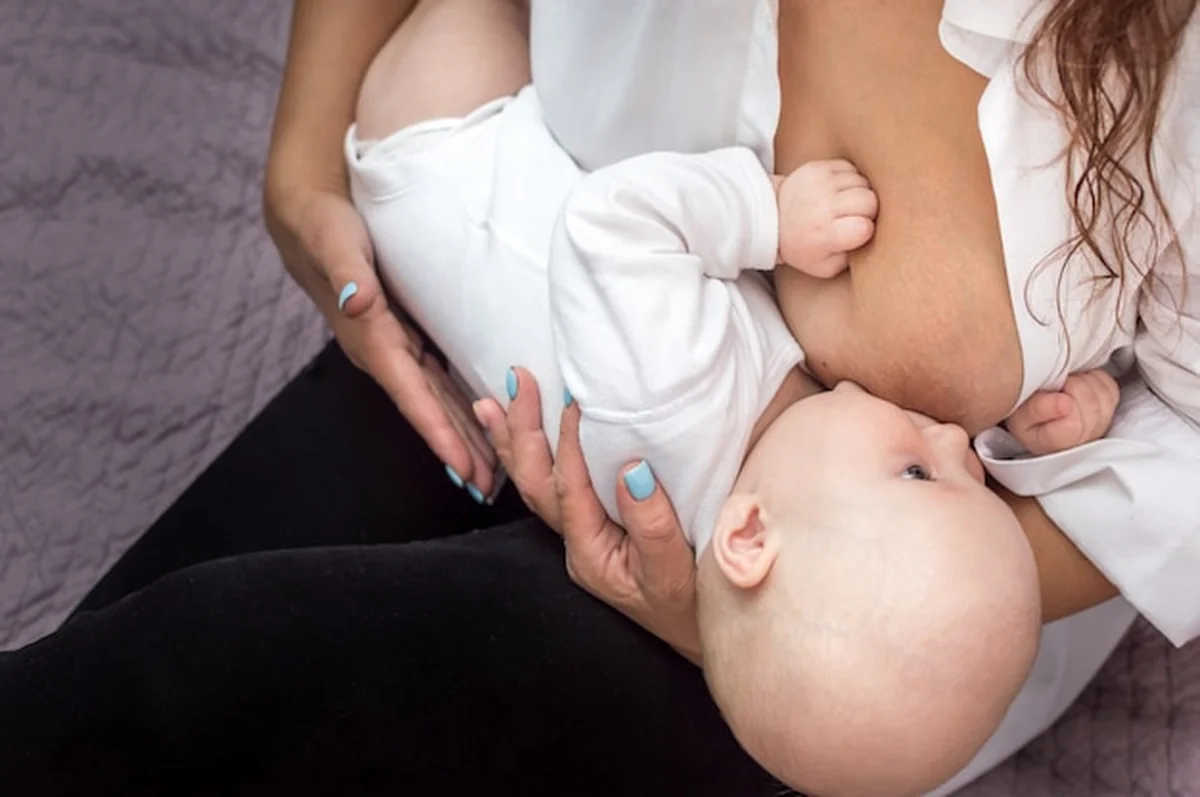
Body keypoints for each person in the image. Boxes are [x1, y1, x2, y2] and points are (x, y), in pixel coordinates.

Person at [0, 2, 1196, 796]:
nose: (956, 442)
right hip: (588, 307)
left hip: (879, 654)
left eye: (943, 453)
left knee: (227, 665)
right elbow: (603, 238)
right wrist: (305, 156)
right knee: (146, 660)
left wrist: (759, 623)